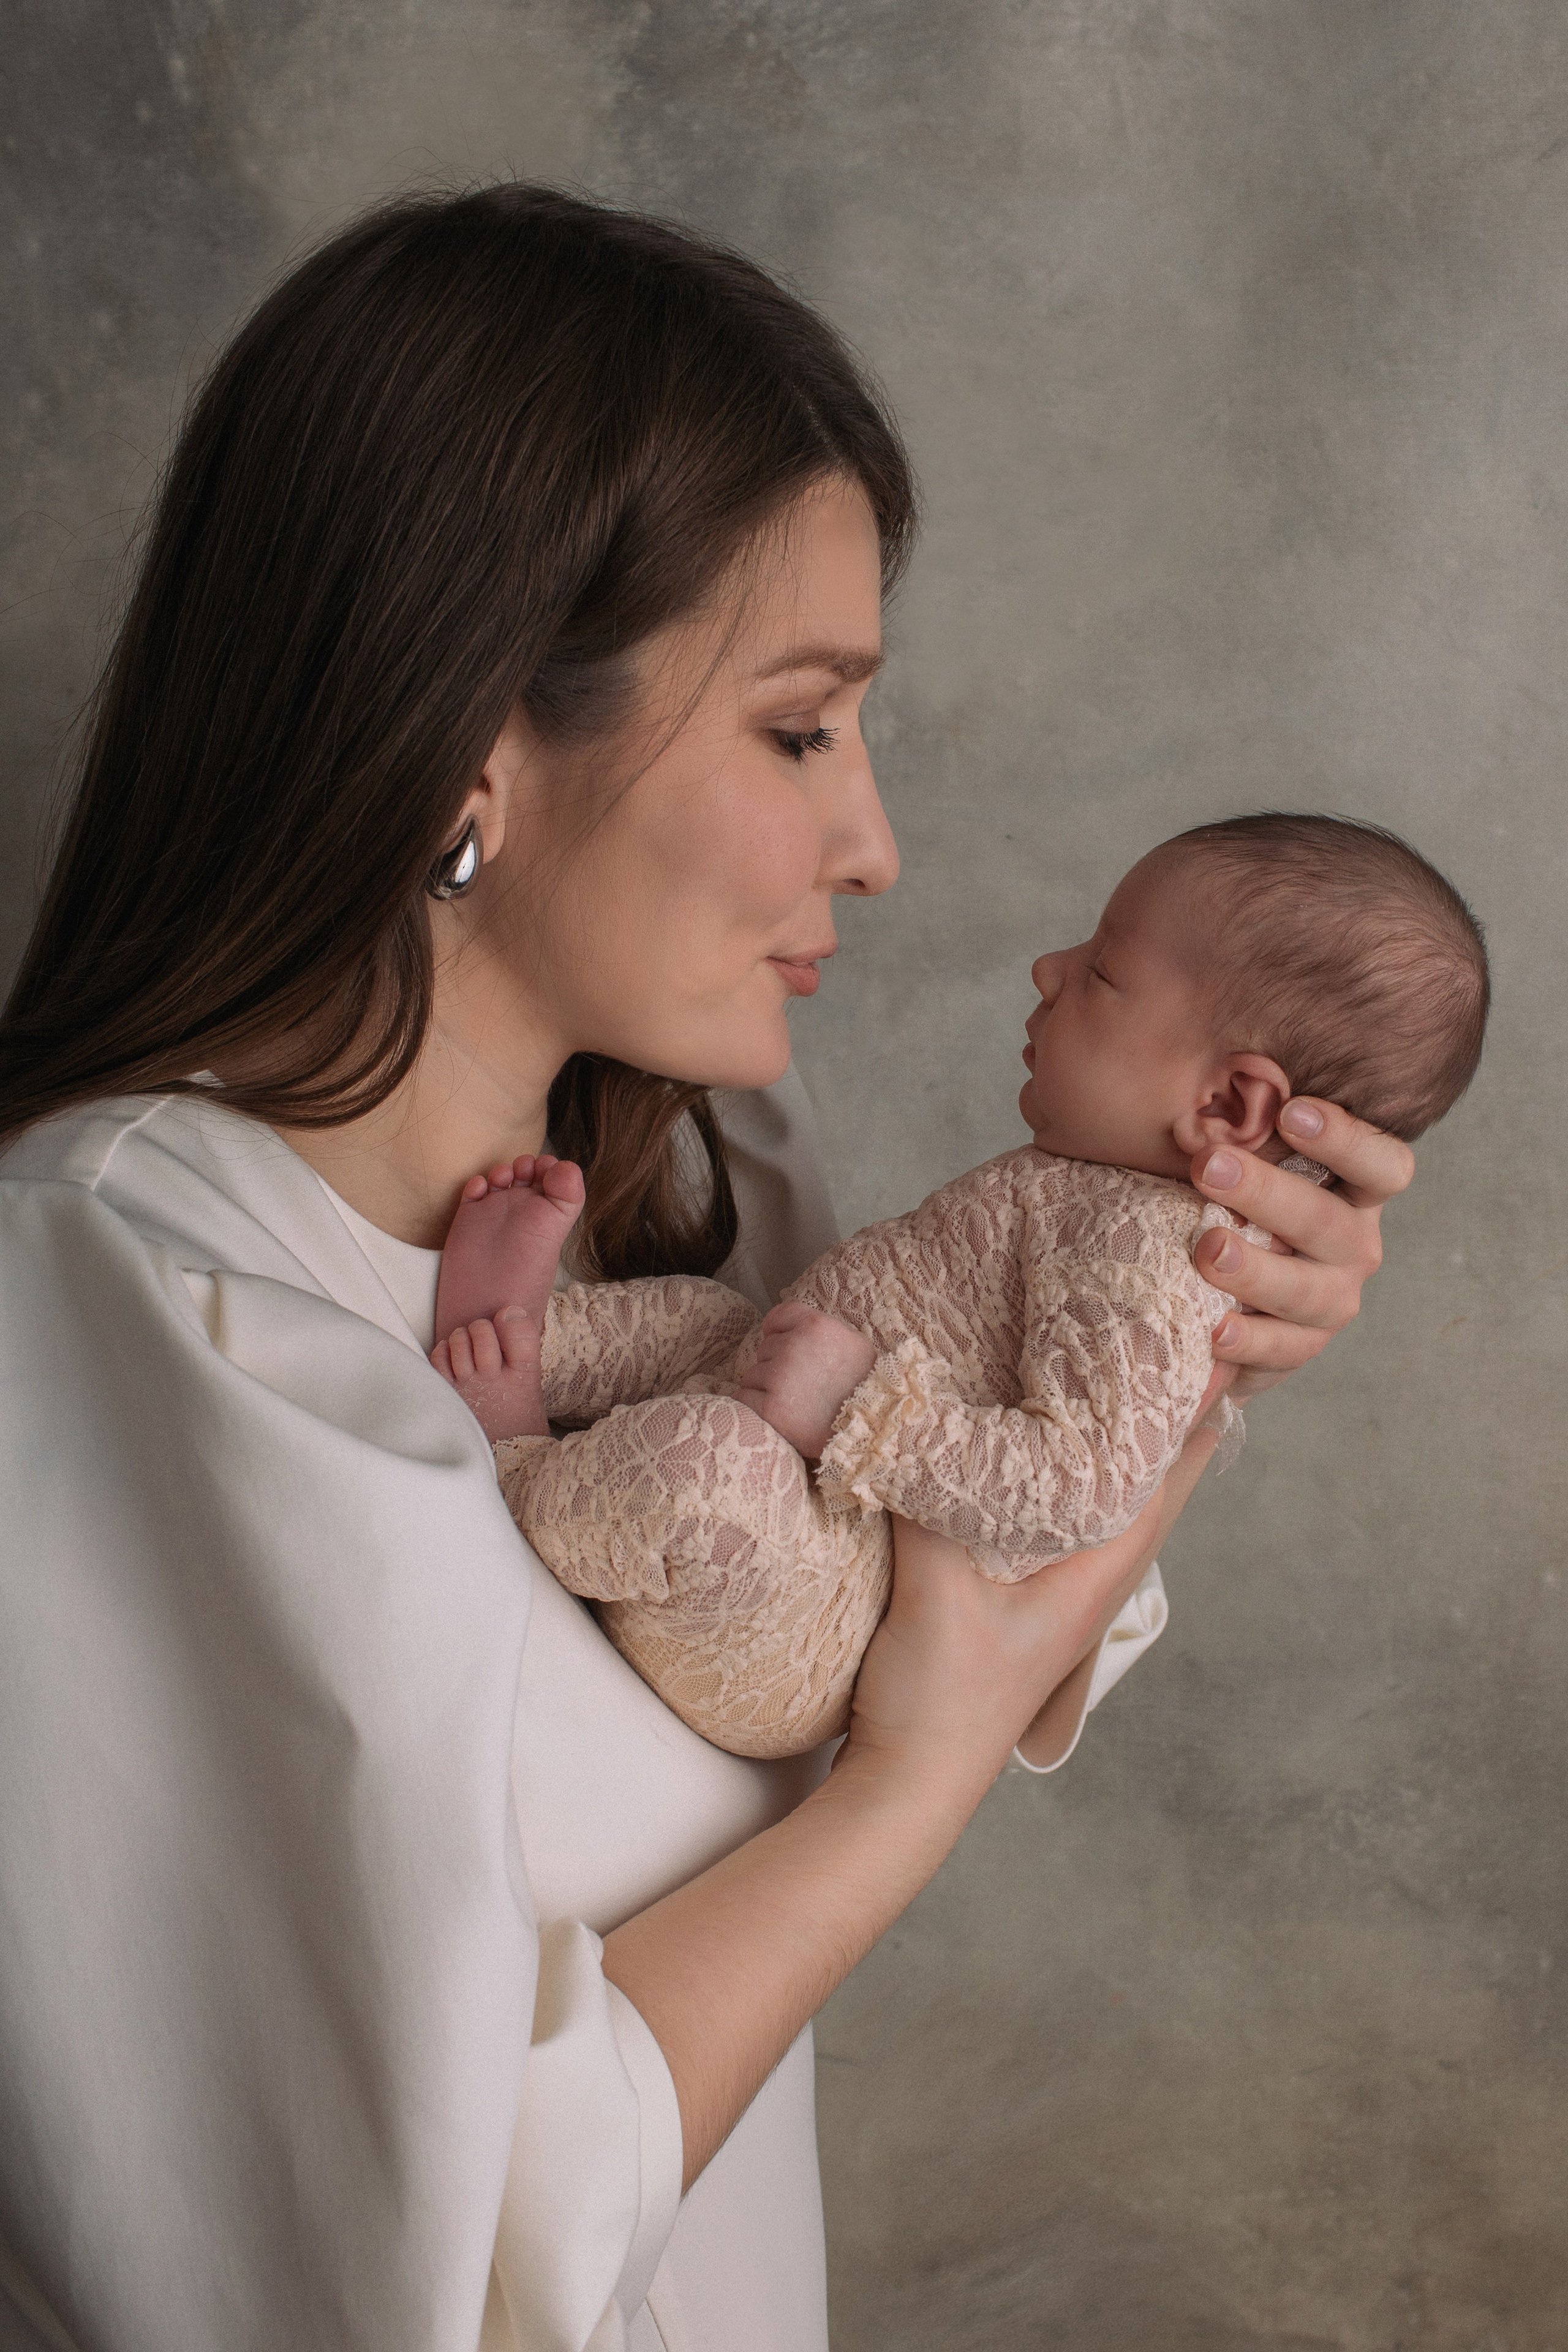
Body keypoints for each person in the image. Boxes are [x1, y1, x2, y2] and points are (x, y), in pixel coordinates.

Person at [0, 187, 1411, 2352]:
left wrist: (1188, 1337)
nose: (877, 841)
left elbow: (953, 1619)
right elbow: (433, 2275)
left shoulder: (723, 1196)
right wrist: (906, 1797)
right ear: (468, 745)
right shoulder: (117, 1303)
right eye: (797, 725)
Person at [426, 813, 1488, 1760]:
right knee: (711, 1321)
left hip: (818, 1598)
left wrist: (859, 1410)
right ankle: (528, 1336)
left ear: (1233, 1105)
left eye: (1105, 973)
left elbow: (1080, 1485)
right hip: (802, 1457)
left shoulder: (1162, 1260)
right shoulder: (1100, 1191)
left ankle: (514, 1457)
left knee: (712, 1468)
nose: (1047, 967)